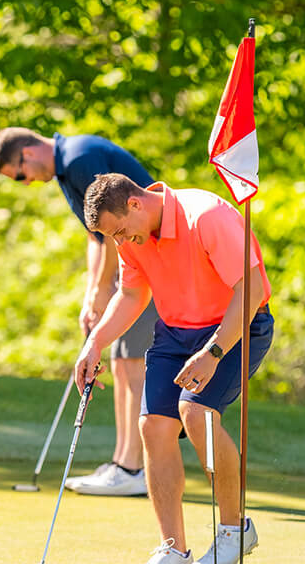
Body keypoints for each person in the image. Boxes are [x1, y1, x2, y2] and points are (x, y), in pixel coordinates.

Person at [75, 173, 273, 564]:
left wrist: (213, 352)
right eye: (112, 237)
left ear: (135, 204)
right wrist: (95, 341)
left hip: (237, 326)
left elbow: (250, 289)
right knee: (153, 425)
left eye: (119, 231)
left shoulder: (206, 216)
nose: (120, 242)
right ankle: (174, 549)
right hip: (175, 332)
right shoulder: (132, 236)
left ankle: (235, 531)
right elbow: (132, 293)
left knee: (196, 413)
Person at [0, 127, 157, 496]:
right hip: (134, 264)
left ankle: (133, 468)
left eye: (19, 176)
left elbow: (115, 231)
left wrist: (102, 290)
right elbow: (96, 234)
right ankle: (123, 462)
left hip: (150, 261)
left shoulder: (80, 159)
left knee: (132, 363)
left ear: (28, 153)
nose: (25, 182)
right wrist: (91, 294)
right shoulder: (67, 168)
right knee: (120, 361)